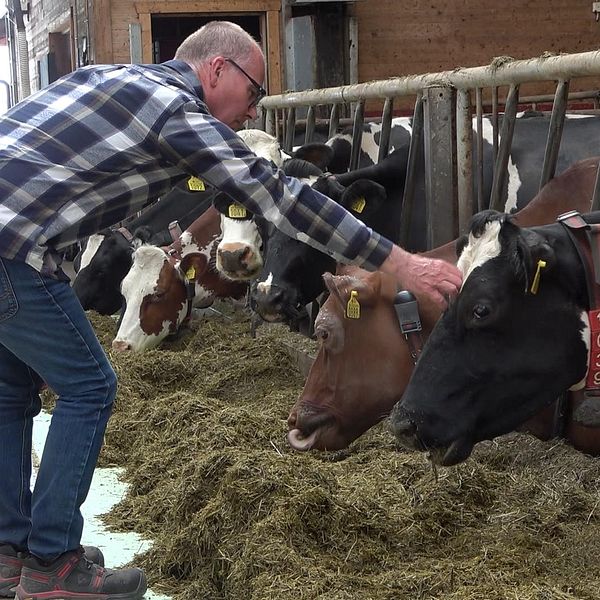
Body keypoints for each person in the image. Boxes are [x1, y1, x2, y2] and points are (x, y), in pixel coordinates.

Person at [0, 20, 462, 600]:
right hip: (11, 250)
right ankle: (53, 567)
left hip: (13, 240)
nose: (253, 112)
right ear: (217, 70)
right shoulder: (176, 112)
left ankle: (10, 553)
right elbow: (281, 197)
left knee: (10, 391)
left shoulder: (113, 78)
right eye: (254, 93)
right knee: (90, 387)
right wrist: (403, 263)